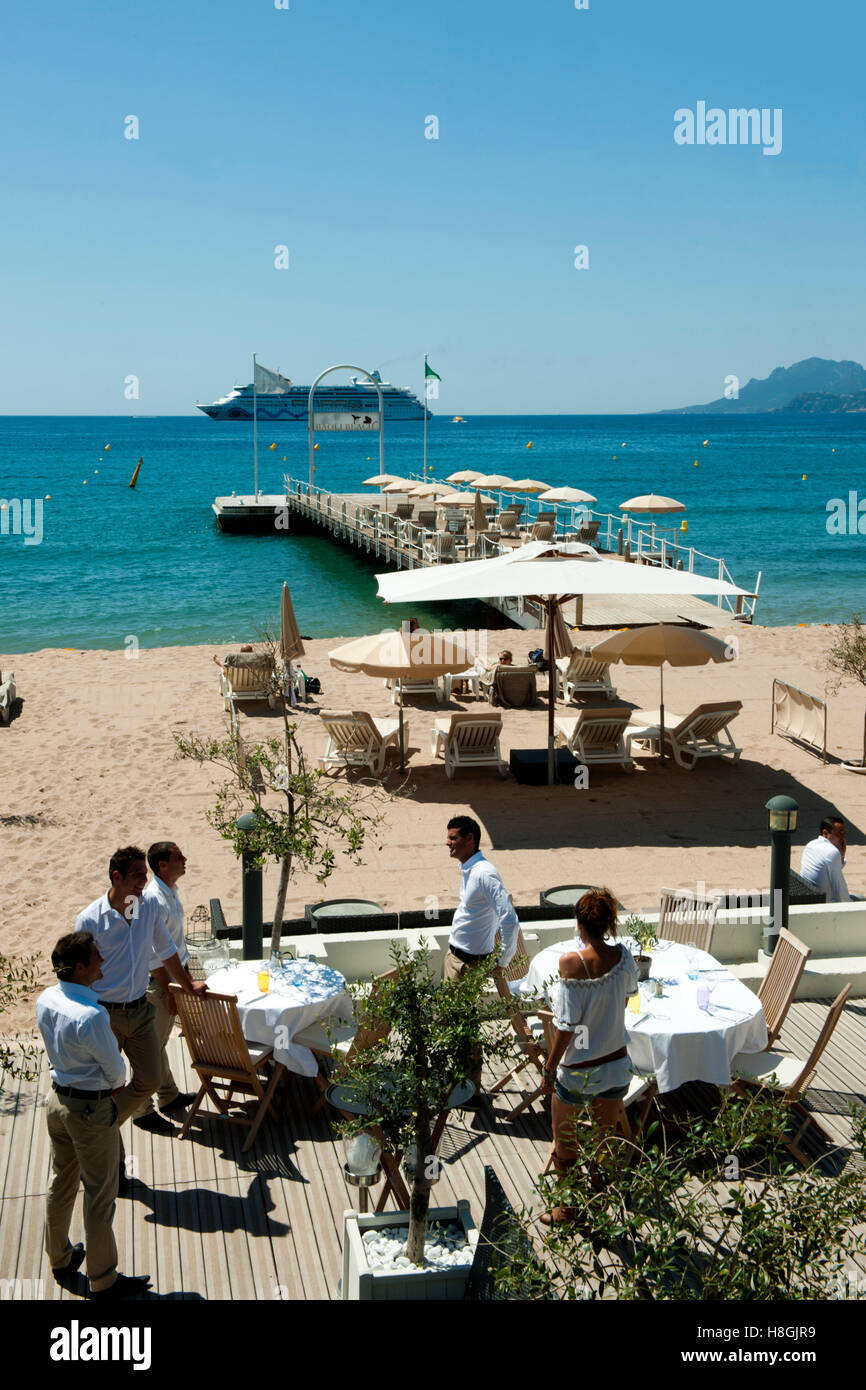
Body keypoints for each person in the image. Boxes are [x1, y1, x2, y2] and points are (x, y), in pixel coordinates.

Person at [37, 931, 151, 1299]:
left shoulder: (46, 999)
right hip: (90, 1110)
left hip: (57, 1103)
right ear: (81, 967)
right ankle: (104, 1280)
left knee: (62, 1181)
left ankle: (60, 1258)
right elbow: (117, 1074)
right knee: (100, 1195)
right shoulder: (92, 1016)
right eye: (97, 957)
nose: (103, 961)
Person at [75, 847, 206, 1155]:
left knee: (150, 1079)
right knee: (106, 1086)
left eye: (144, 875)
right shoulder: (90, 920)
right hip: (104, 1016)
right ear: (116, 877)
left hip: (139, 1009)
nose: (143, 881)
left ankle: (104, 1124)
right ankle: (113, 1136)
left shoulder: (145, 908)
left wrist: (186, 986)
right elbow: (78, 974)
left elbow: (167, 952)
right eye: (137, 875)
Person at [539, 888, 638, 1225]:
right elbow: (625, 1000)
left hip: (579, 1069)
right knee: (602, 1142)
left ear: (580, 923)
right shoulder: (624, 958)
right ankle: (595, 1207)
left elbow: (566, 1026)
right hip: (615, 1066)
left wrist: (550, 1067)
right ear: (610, 923)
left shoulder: (571, 963)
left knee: (565, 1147)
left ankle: (567, 1210)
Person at [444, 815, 520, 1095]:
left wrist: (502, 961)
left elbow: (510, 919)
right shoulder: (470, 869)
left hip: (466, 963)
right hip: (456, 959)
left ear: (469, 840)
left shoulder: (484, 874)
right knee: (454, 1024)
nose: (447, 842)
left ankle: (470, 1092)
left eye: (453, 838)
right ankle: (459, 1083)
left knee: (464, 1028)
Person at [133, 842, 198, 1131]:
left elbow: (173, 946)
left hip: (172, 979)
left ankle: (168, 1095)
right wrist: (171, 989)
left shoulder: (169, 892)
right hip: (158, 983)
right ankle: (141, 1110)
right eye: (177, 857)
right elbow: (151, 955)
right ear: (162, 865)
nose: (184, 859)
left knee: (158, 1044)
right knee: (148, 1048)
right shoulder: (154, 900)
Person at [800, 816, 851, 902]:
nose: (843, 838)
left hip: (809, 896)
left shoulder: (810, 845)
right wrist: (850, 906)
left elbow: (826, 870)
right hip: (825, 902)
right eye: (839, 833)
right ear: (825, 833)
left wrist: (842, 855)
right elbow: (840, 889)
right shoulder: (832, 852)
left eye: (844, 834)